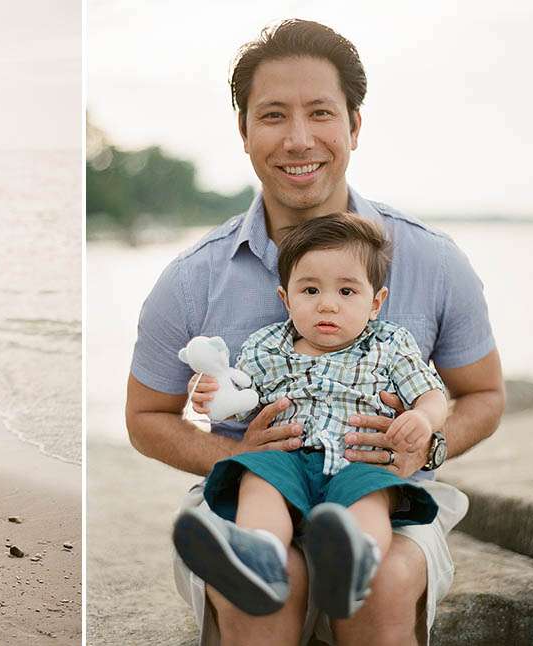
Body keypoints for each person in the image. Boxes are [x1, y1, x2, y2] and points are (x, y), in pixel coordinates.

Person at [125, 19, 505, 646]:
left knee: (379, 581)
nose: (298, 140)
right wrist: (233, 450)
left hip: (378, 491)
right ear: (244, 131)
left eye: (321, 113)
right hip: (255, 494)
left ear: (354, 125)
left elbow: (484, 395)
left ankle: (351, 559)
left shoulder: (433, 261)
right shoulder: (192, 280)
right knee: (261, 588)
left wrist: (425, 444)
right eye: (272, 115)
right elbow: (145, 415)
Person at [173, 213, 445, 622]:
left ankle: (354, 562)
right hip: (288, 457)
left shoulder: (389, 344)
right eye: (311, 289)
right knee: (257, 475)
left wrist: (423, 420)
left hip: (358, 458)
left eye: (347, 291)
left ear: (375, 303)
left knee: (371, 495)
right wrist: (207, 394)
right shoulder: (267, 345)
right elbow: (242, 398)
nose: (328, 304)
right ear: (286, 299)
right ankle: (259, 557)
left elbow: (432, 393)